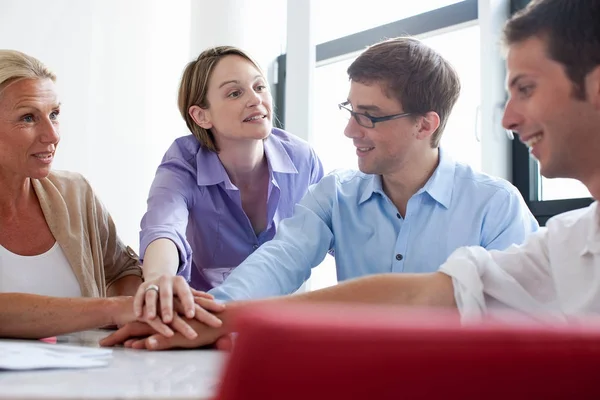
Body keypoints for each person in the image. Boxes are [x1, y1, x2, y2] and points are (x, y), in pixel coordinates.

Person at [99, 0, 600, 350]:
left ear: (427, 124)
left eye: (370, 116)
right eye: (349, 109)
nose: (347, 129)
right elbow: (277, 261)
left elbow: (500, 325)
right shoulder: (335, 193)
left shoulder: (496, 205)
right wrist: (201, 319)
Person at [0, 50, 223, 339]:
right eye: (28, 118)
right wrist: (112, 309)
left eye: (54, 114)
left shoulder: (75, 194)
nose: (52, 135)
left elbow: (122, 272)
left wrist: (147, 306)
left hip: (79, 380)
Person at [133, 46, 323, 328]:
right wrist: (158, 279)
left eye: (259, 86)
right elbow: (163, 226)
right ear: (201, 116)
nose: (256, 99)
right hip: (200, 323)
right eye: (235, 93)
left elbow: (339, 228)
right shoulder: (184, 163)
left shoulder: (301, 157)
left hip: (278, 324)